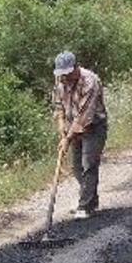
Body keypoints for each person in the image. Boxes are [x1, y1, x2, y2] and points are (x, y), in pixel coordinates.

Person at [51, 51, 108, 218]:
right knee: (76, 167)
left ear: (76, 67)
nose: (64, 78)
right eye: (62, 74)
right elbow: (58, 106)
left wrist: (67, 139)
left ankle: (84, 205)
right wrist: (62, 128)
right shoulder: (61, 81)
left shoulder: (90, 81)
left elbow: (84, 116)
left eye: (68, 74)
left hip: (94, 127)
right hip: (72, 128)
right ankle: (91, 199)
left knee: (88, 164)